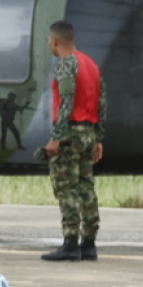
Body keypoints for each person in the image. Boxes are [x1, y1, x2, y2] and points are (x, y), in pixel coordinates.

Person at [41, 20, 107, 262]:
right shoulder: (91, 65)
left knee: (66, 187)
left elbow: (66, 101)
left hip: (70, 133)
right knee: (86, 187)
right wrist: (98, 137)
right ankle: (88, 244)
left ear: (56, 41)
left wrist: (56, 137)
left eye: (49, 40)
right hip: (88, 132)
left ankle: (70, 243)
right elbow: (102, 103)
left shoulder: (66, 64)